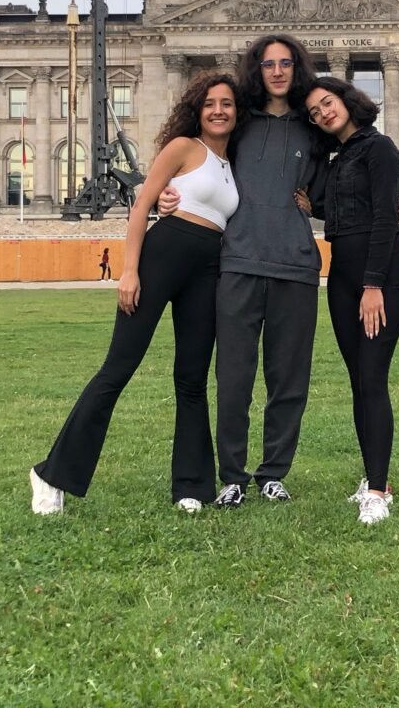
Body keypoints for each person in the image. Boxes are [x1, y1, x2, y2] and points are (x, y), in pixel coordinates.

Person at [29, 72, 241, 516]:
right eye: (210, 104)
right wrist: (129, 271)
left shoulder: (231, 162)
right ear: (197, 111)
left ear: (237, 112)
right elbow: (142, 204)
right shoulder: (184, 148)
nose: (218, 110)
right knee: (118, 369)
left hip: (208, 268)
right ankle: (51, 474)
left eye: (227, 103)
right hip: (161, 256)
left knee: (192, 379)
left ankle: (192, 487)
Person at [159, 34, 328, 509]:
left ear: (297, 69)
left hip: (295, 265)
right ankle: (232, 475)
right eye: (268, 63)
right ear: (257, 69)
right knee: (233, 377)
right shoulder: (239, 123)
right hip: (237, 263)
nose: (277, 71)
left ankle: (273, 472)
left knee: (288, 379)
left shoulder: (313, 128)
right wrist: (165, 193)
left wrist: (319, 205)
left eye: (286, 63)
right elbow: (195, 162)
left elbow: (342, 182)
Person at [303, 76, 399, 526]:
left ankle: (380, 490)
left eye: (327, 103)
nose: (323, 113)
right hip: (342, 271)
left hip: (376, 275)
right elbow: (339, 207)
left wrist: (372, 285)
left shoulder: (378, 147)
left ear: (346, 101)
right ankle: (371, 478)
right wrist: (310, 204)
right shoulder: (339, 156)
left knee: (372, 376)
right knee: (358, 382)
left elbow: (385, 216)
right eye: (313, 112)